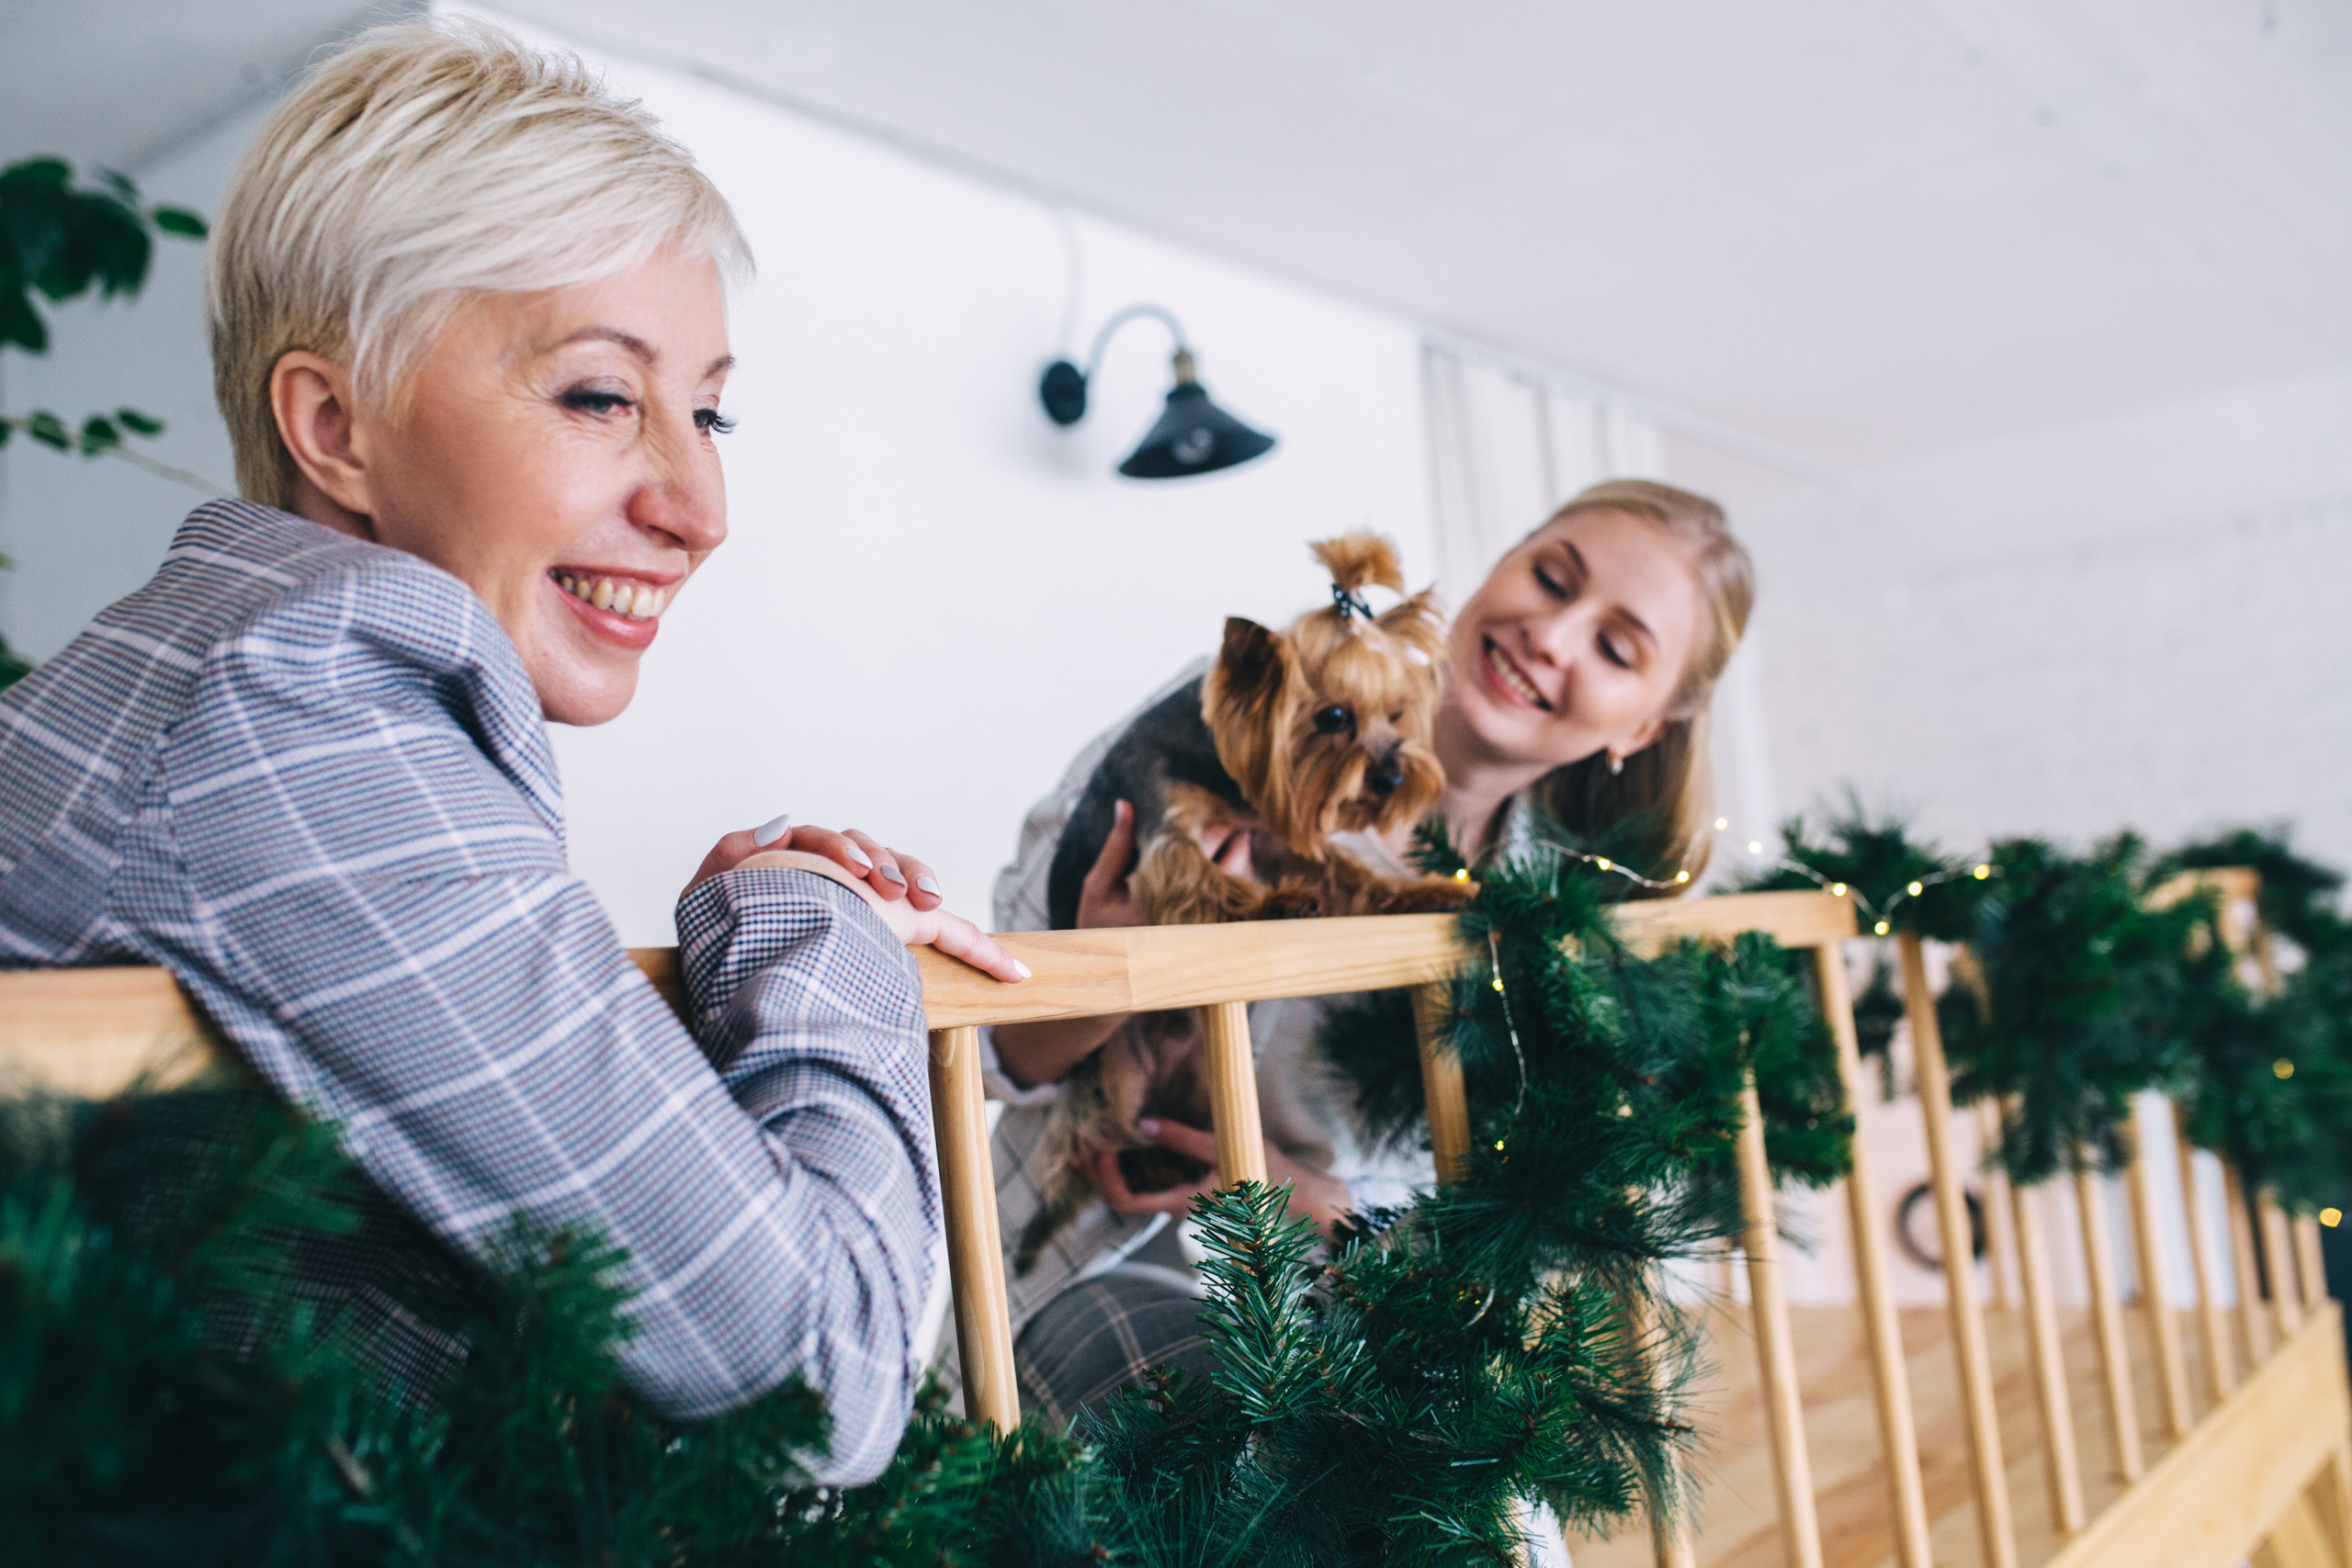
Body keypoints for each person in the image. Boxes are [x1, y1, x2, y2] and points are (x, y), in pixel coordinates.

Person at [0, 20, 1023, 1485]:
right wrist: (818, 934)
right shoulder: (292, 703)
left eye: (708, 406)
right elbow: (823, 1374)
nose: (701, 501)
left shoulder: (232, 671)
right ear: (333, 424)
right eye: (602, 394)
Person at [981, 480, 1754, 1418]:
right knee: (1225, 1452)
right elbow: (982, 1039)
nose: (1551, 636)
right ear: (1503, 562)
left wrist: (1323, 1209)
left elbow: (1525, 1228)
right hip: (1096, 1265)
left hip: (1371, 1317)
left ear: (1640, 726)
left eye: (1614, 647)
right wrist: (1104, 978)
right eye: (1551, 579)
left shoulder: (1560, 921)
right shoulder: (1246, 720)